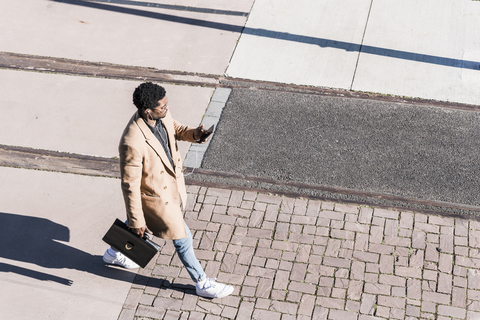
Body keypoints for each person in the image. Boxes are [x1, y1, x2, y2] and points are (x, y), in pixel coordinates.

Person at [103, 82, 233, 299]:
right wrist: (136, 220)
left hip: (170, 188)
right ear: (147, 110)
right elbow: (130, 185)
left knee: (138, 227)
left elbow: (175, 129)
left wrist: (195, 134)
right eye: (162, 106)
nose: (167, 108)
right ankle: (202, 282)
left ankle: (113, 253)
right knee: (182, 238)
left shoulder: (160, 113)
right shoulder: (132, 141)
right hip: (157, 197)